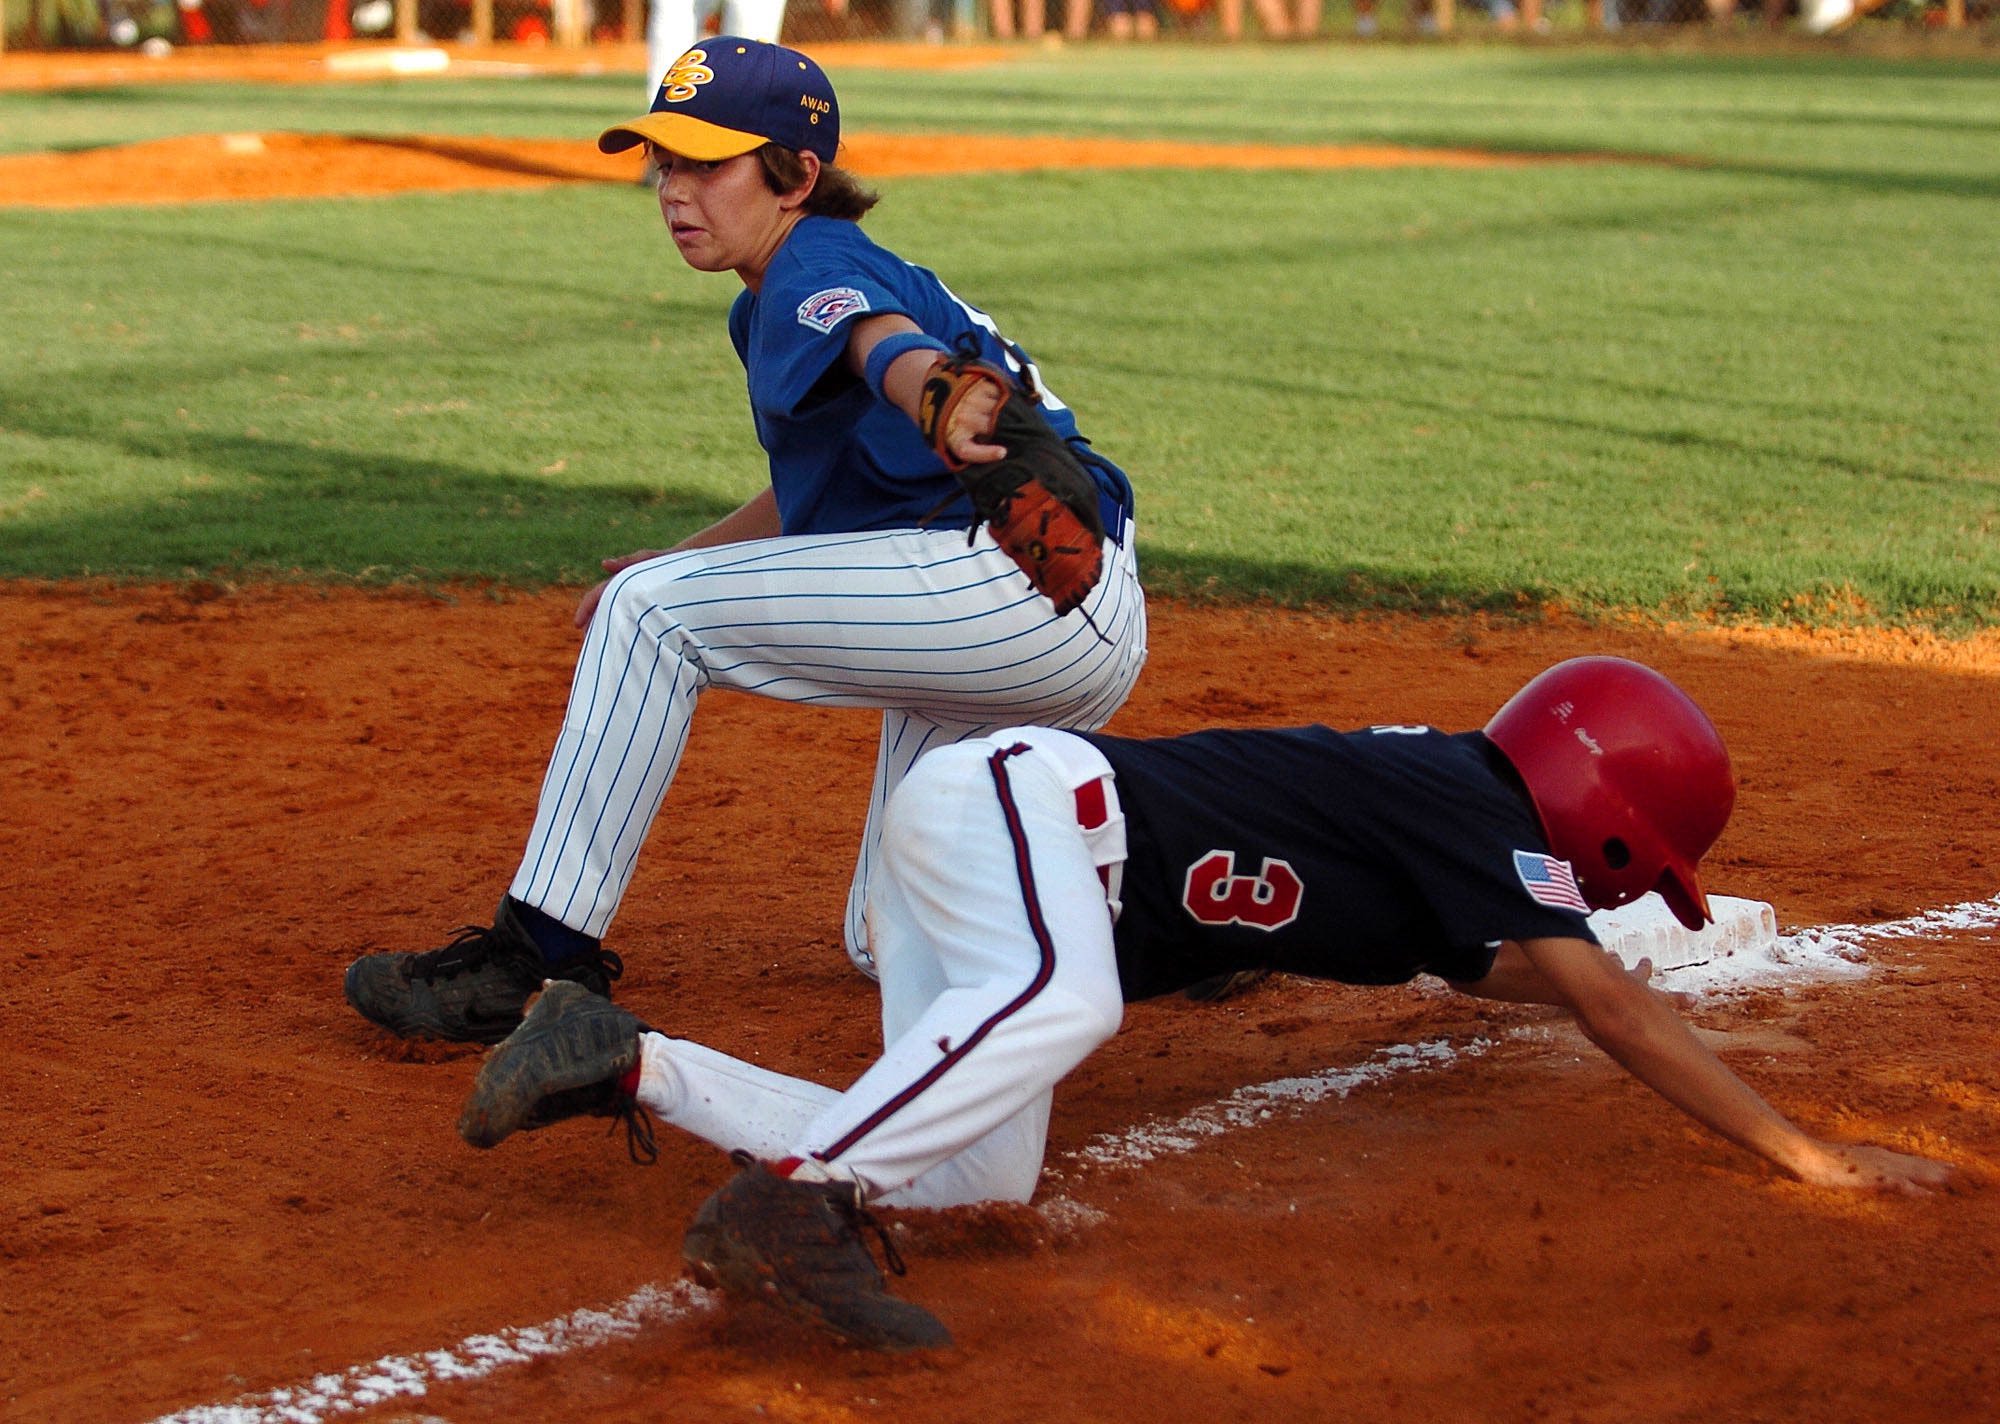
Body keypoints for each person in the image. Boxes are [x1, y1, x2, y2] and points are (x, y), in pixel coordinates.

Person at [454, 656, 1956, 1351]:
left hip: (995, 839)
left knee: (980, 1168)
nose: (1620, 894)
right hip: (1028, 814)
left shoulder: (1449, 825)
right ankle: (797, 1198)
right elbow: (1610, 1011)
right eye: (1634, 868)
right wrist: (1810, 1157)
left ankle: (628, 1064)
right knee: (1068, 999)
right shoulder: (1474, 805)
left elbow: (1537, 978)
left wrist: (1571, 984)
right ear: (1603, 812)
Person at [342, 38, 1147, 1048]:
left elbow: (881, 343)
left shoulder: (816, 255)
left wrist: (933, 394)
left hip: (1018, 577)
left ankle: (536, 952)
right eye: (662, 164)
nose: (674, 191)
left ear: (797, 174)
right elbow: (813, 489)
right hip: (1032, 603)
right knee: (889, 928)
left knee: (653, 621)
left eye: (706, 165)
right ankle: (1171, 902)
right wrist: (681, 554)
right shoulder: (762, 299)